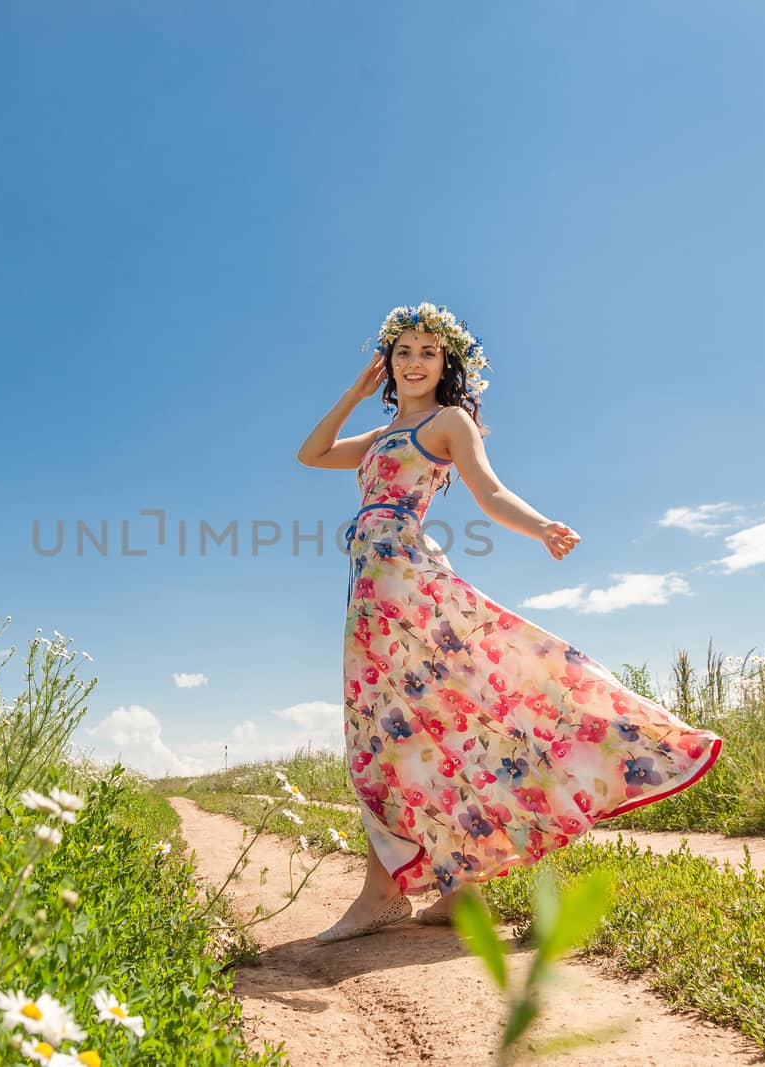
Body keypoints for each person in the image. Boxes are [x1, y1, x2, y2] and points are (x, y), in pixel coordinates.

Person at [295, 302, 724, 944]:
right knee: (406, 725)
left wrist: (542, 526)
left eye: (428, 353)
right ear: (387, 362)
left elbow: (490, 492)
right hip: (369, 591)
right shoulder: (380, 438)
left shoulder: (449, 421)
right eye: (403, 352)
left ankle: (381, 893)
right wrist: (356, 392)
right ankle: (451, 884)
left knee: (420, 719)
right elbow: (311, 453)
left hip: (407, 582)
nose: (414, 363)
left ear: (447, 365)